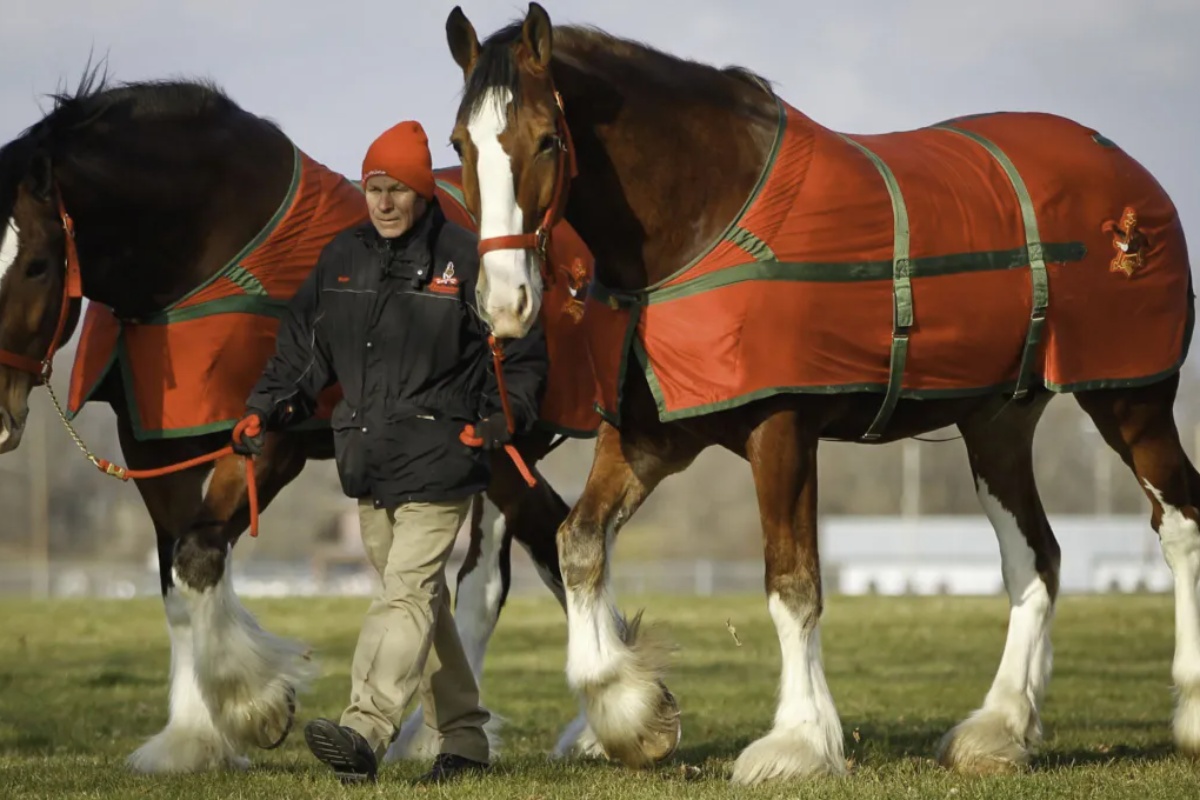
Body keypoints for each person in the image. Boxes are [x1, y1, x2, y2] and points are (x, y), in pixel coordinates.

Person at [230, 119, 548, 784]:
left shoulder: (464, 260)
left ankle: (364, 728)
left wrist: (502, 417)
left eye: (396, 189)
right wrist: (267, 408)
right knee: (423, 604)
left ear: (422, 194)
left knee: (404, 597)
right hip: (369, 463)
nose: (382, 201)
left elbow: (519, 349)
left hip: (443, 454)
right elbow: (301, 349)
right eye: (373, 187)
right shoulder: (341, 258)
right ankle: (464, 742)